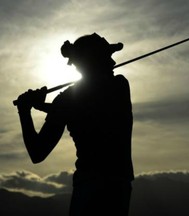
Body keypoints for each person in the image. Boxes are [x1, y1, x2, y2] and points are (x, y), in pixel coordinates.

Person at [16, 33, 134, 215]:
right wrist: (46, 106)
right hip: (117, 187)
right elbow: (89, 105)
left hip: (89, 187)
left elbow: (37, 151)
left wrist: (25, 110)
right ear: (92, 61)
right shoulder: (119, 86)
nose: (112, 62)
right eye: (107, 56)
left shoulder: (68, 101)